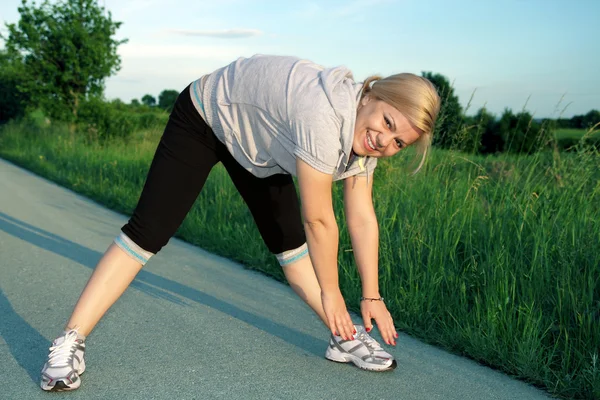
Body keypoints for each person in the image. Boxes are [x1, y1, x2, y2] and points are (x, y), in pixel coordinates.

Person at [39, 54, 440, 391]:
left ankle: (343, 337)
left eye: (398, 143)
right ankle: (69, 341)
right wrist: (332, 293)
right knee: (149, 231)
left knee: (289, 243)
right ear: (370, 95)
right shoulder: (323, 113)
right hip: (207, 115)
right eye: (387, 123)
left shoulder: (364, 139)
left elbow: (362, 217)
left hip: (260, 145)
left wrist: (371, 295)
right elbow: (320, 219)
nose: (384, 142)